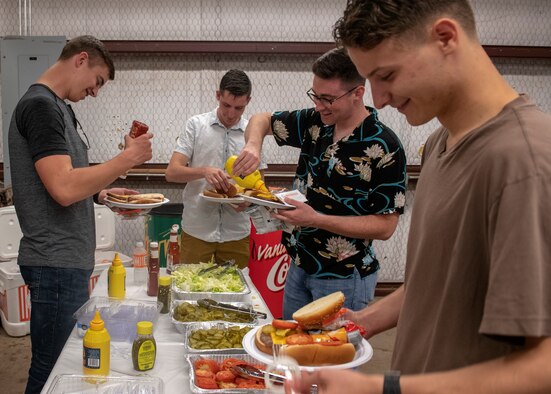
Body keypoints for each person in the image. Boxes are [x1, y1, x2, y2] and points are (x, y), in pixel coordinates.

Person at [288, 1, 551, 393]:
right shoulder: (440, 143)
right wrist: (361, 321)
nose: (379, 98)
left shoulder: (522, 162)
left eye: (387, 74)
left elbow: (541, 368)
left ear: (445, 38)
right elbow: (437, 282)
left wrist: (382, 389)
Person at [8, 35, 153, 393]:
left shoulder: (59, 108)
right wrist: (126, 159)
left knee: (58, 362)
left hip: (65, 261)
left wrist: (103, 195)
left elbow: (65, 183)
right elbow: (64, 188)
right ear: (80, 60)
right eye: (98, 81)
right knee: (52, 368)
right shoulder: (40, 107)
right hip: (54, 262)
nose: (96, 92)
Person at [233, 48, 407, 318]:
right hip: (299, 265)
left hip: (344, 277)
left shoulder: (384, 146)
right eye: (315, 96)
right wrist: (254, 146)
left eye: (328, 99)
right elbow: (262, 119)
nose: (319, 106)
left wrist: (315, 219)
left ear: (357, 93)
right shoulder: (317, 124)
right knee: (293, 352)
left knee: (332, 357)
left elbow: (385, 226)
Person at [165, 69, 262, 269]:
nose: (231, 113)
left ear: (248, 101)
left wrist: (249, 201)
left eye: (239, 108)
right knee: (192, 295)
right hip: (197, 230)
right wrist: (203, 171)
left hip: (236, 232)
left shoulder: (252, 133)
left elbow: (260, 184)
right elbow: (172, 172)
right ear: (218, 95)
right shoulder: (196, 125)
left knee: (235, 294)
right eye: (226, 105)